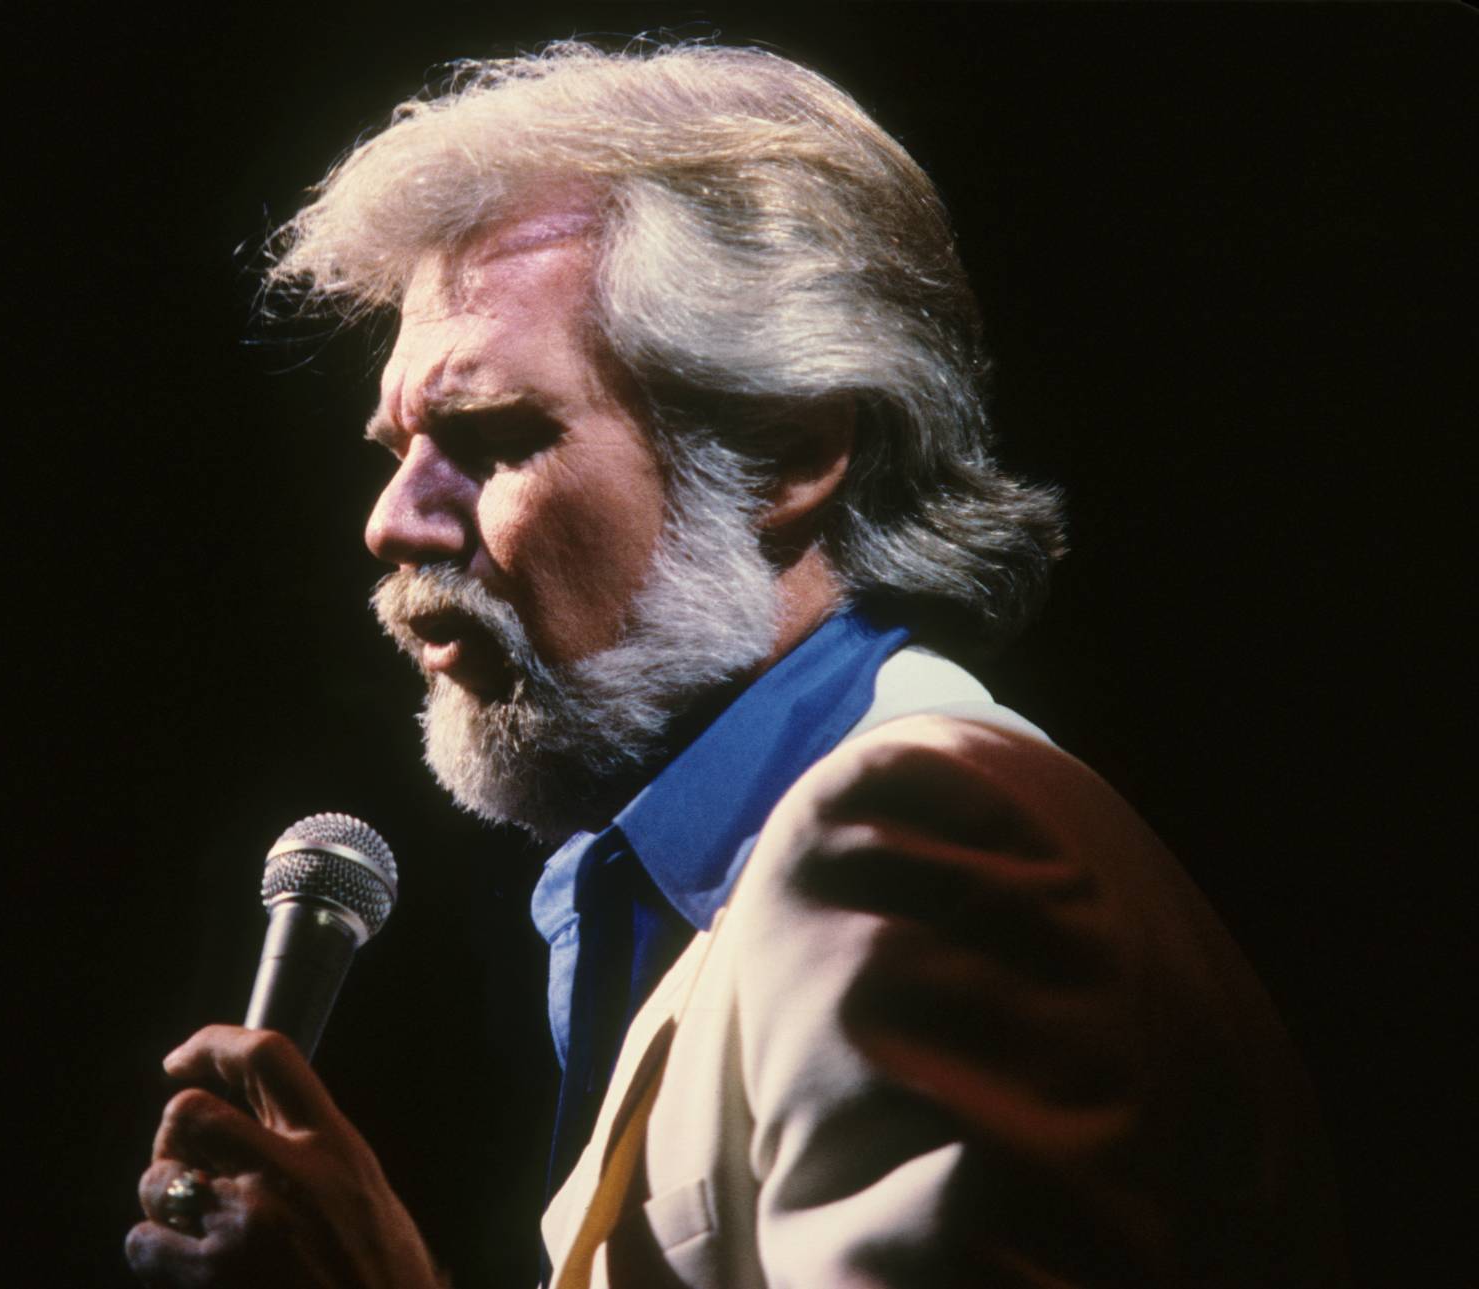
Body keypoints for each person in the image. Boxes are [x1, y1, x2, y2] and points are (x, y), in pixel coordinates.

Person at [126, 41, 1345, 1288]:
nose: (392, 521)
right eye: (397, 446)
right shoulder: (745, 883)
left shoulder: (928, 842)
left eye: (489, 437)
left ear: (790, 453)